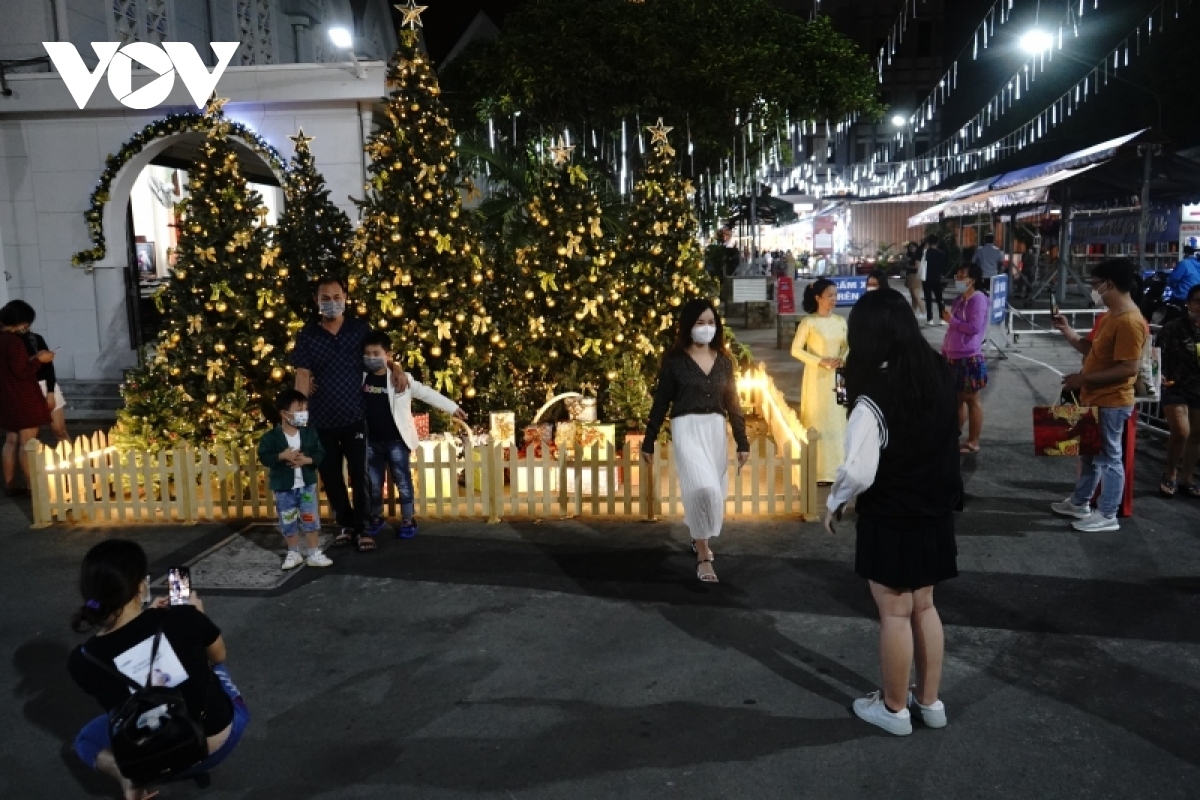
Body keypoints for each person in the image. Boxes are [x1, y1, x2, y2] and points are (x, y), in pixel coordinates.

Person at [823, 288, 960, 737]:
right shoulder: (938, 372)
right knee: (926, 606)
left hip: (894, 513)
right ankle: (931, 702)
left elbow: (859, 470)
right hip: (936, 508)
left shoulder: (875, 394)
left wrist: (834, 501)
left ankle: (895, 709)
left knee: (896, 613)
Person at [67, 539, 249, 799]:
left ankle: (127, 780)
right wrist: (198, 618)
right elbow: (219, 656)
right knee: (215, 668)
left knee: (86, 740)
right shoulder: (183, 617)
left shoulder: (82, 661)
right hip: (220, 740)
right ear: (141, 586)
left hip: (153, 761)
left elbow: (123, 644)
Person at [291, 275, 407, 551]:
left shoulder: (359, 329)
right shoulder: (308, 335)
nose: (332, 303)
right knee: (331, 476)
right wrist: (299, 416)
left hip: (355, 415)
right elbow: (303, 374)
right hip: (321, 419)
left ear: (345, 298)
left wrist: (397, 369)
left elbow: (379, 355)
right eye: (325, 299)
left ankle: (364, 528)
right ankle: (346, 525)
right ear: (317, 302)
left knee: (361, 474)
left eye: (337, 297)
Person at [642, 299, 750, 583]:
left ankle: (697, 537)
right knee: (702, 489)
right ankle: (703, 554)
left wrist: (742, 440)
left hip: (715, 429)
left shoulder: (724, 362)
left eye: (711, 323)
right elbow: (661, 402)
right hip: (686, 428)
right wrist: (649, 439)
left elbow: (733, 403)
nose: (706, 328)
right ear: (688, 326)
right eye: (700, 323)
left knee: (714, 489)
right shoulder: (675, 362)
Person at [1051, 258, 1147, 532]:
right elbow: (1092, 351)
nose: (1093, 290)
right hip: (1094, 398)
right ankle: (1080, 502)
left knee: (1109, 458)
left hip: (1112, 401)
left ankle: (1107, 514)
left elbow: (1128, 368)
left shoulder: (1129, 321)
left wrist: (1082, 379)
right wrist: (1067, 331)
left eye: (1095, 284)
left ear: (1109, 284)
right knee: (1089, 455)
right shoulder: (1110, 316)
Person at [361, 331, 467, 539]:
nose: (371, 358)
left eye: (376, 353)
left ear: (388, 355)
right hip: (371, 440)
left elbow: (426, 393)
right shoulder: (361, 378)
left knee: (403, 480)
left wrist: (452, 407)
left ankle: (408, 518)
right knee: (373, 482)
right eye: (367, 354)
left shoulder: (401, 380)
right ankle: (376, 516)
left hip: (397, 441)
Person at [256, 389, 332, 569]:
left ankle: (314, 552)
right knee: (288, 518)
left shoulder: (309, 433)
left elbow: (320, 452)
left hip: (306, 486)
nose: (303, 413)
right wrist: (281, 456)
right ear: (284, 413)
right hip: (284, 488)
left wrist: (309, 460)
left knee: (310, 516)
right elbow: (265, 456)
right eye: (299, 409)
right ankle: (293, 552)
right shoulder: (271, 438)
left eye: (305, 408)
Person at [791, 279, 849, 483]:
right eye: (829, 296)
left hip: (839, 376)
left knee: (840, 417)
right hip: (817, 378)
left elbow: (848, 346)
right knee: (820, 418)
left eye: (835, 295)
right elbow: (795, 350)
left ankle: (839, 468)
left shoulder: (841, 322)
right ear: (818, 298)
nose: (834, 299)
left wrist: (843, 358)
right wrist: (820, 361)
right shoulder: (810, 323)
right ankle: (819, 470)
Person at [0, 304, 54, 495]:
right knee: (27, 442)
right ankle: (33, 486)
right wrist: (41, 360)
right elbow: (21, 372)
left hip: (6, 396)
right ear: (21, 322)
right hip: (22, 396)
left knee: (11, 440)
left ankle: (10, 483)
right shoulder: (14, 342)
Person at [1, 300, 68, 442]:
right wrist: (36, 359)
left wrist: (50, 392)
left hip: (42, 385)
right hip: (23, 390)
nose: (27, 326)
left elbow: (48, 368)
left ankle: (73, 461)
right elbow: (20, 370)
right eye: (25, 322)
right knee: (23, 439)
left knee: (59, 429)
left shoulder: (35, 338)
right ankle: (33, 463)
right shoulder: (10, 341)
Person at [1157, 284, 1200, 497]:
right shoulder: (1173, 327)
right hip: (1174, 385)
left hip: (1198, 388)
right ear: (1189, 303)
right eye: (1197, 301)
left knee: (1197, 436)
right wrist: (1159, 374)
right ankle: (1170, 473)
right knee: (1181, 431)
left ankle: (1188, 477)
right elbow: (1156, 352)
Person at [942, 264, 990, 454]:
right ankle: (955, 436)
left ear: (973, 280)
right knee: (956, 400)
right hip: (952, 356)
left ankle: (973, 441)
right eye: (957, 275)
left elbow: (974, 328)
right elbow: (953, 328)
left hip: (969, 357)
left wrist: (951, 320)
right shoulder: (959, 300)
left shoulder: (978, 300)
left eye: (962, 276)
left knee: (971, 400)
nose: (958, 279)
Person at [922, 234, 948, 327]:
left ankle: (930, 319)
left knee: (928, 300)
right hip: (937, 279)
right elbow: (943, 267)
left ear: (928, 242)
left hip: (927, 279)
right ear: (937, 243)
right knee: (940, 299)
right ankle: (942, 318)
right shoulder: (941, 253)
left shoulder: (925, 252)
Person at [903, 241, 925, 316]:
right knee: (913, 297)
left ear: (916, 247)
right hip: (910, 276)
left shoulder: (917, 255)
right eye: (910, 247)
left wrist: (907, 266)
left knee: (916, 296)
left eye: (913, 247)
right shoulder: (911, 256)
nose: (911, 248)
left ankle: (924, 312)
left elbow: (917, 267)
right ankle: (913, 313)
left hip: (915, 276)